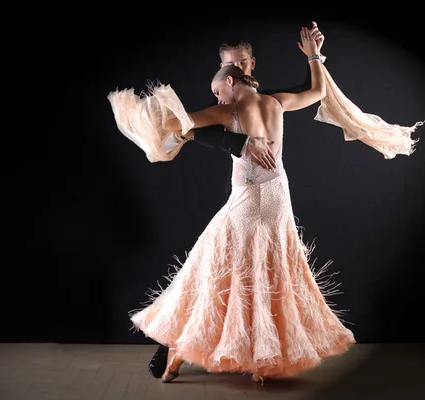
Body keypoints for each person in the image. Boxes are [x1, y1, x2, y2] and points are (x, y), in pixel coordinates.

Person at [110, 25, 356, 384]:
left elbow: (183, 124)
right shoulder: (275, 103)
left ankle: (179, 354)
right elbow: (318, 91)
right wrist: (314, 56)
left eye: (218, 90)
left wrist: (152, 120)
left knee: (211, 269)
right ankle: (262, 359)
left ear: (232, 79)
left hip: (247, 200)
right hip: (277, 197)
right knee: (269, 270)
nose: (217, 97)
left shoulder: (228, 112)